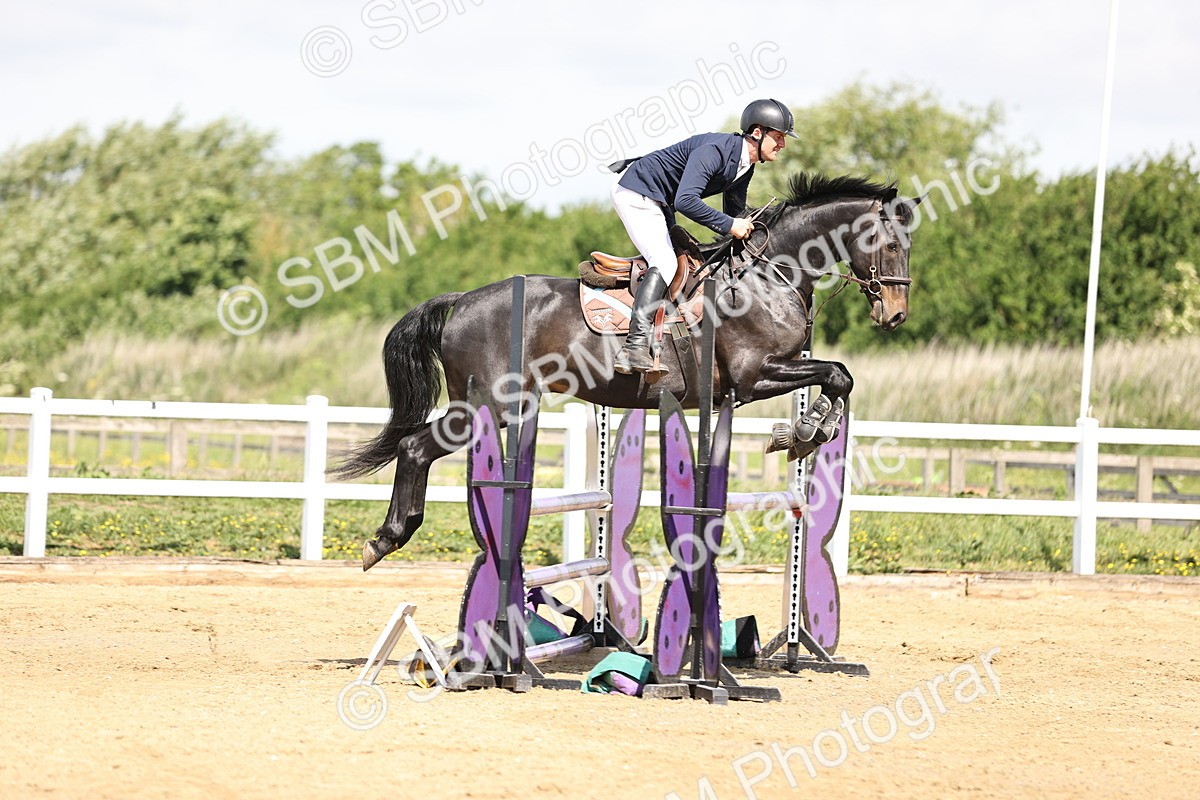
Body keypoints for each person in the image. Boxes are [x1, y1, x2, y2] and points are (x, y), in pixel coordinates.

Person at [609, 98, 798, 375]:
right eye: (779, 137)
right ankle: (633, 347)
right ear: (757, 133)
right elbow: (686, 200)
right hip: (637, 191)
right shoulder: (716, 151)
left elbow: (735, 213)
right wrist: (730, 225)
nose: (783, 144)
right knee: (665, 262)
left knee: (689, 261)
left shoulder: (745, 165)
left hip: (661, 201)